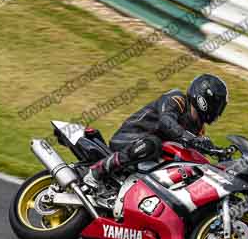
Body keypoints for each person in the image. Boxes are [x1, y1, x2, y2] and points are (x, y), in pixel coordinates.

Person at [82, 74, 229, 190]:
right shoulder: (177, 99)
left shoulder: (198, 128)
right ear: (204, 99)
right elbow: (166, 122)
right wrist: (189, 138)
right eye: (218, 105)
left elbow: (194, 155)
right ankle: (97, 171)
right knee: (152, 144)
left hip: (151, 156)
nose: (219, 111)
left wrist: (218, 155)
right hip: (130, 138)